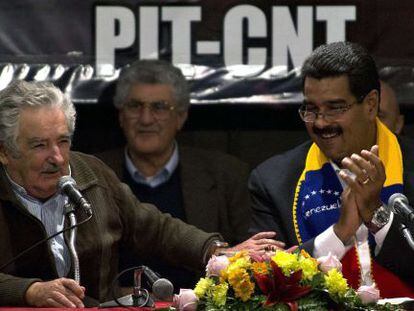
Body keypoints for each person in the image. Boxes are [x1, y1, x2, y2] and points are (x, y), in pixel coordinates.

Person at [0, 80, 282, 308]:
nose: (58, 157)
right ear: (4, 152)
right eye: (40, 146)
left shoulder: (91, 174)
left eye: (63, 141)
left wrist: (217, 251)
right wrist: (29, 291)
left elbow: (155, 228)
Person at [249, 42, 414, 298]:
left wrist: (374, 214)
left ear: (371, 104)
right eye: (311, 109)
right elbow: (264, 285)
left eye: (335, 108)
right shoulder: (273, 181)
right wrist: (339, 234)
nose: (321, 122)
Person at [97, 59, 252, 290]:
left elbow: (247, 260)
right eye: (135, 106)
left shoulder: (226, 175)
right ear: (121, 115)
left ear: (180, 117)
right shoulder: (95, 174)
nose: (146, 119)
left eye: (159, 107)